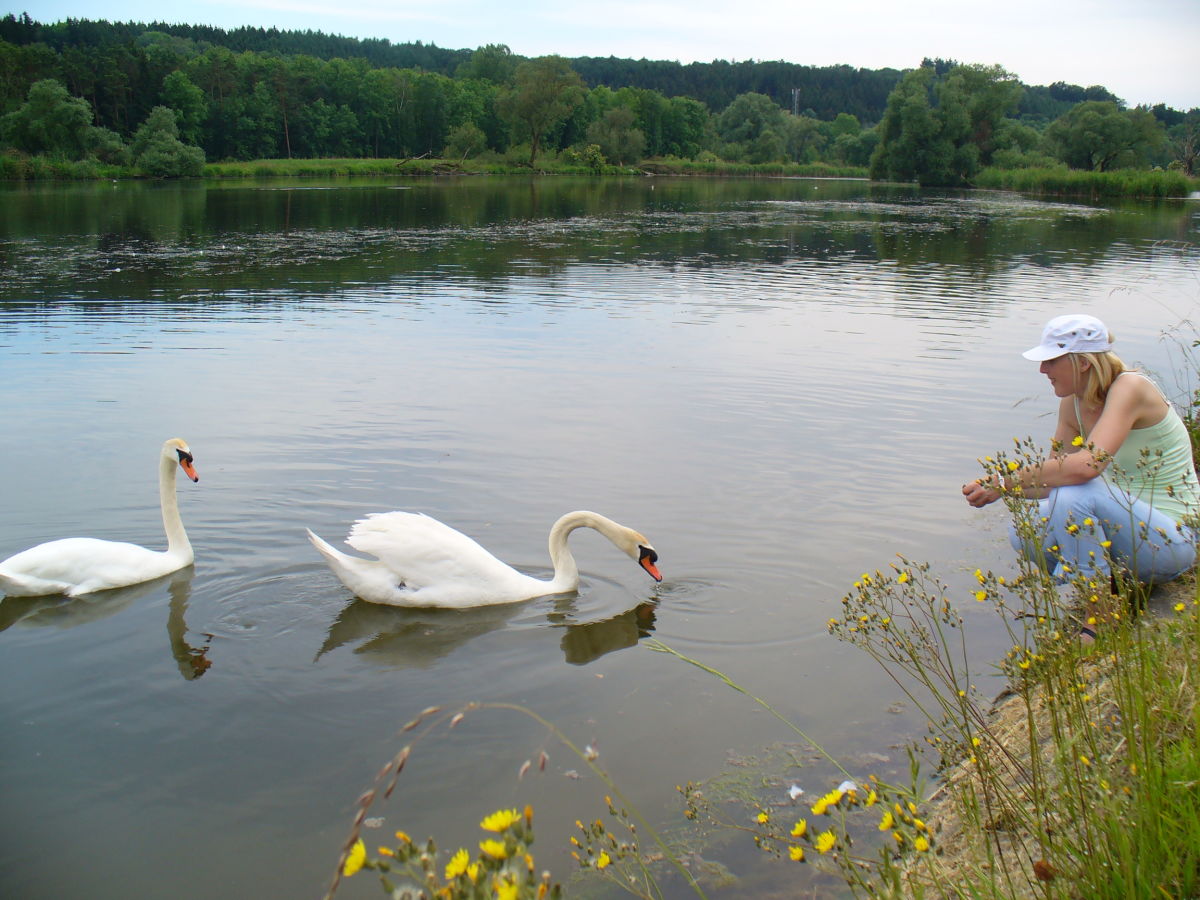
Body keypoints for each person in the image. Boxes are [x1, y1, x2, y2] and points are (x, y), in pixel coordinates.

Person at [962, 313, 1200, 638]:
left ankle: (1100, 617)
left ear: (1083, 362)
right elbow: (1051, 484)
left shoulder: (1130, 387)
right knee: (1025, 529)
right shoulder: (1072, 405)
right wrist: (999, 491)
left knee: (1076, 492)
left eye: (1051, 361)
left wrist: (1005, 480)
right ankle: (1109, 586)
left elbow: (1087, 466)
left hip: (1173, 540)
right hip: (1130, 534)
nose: (1042, 370)